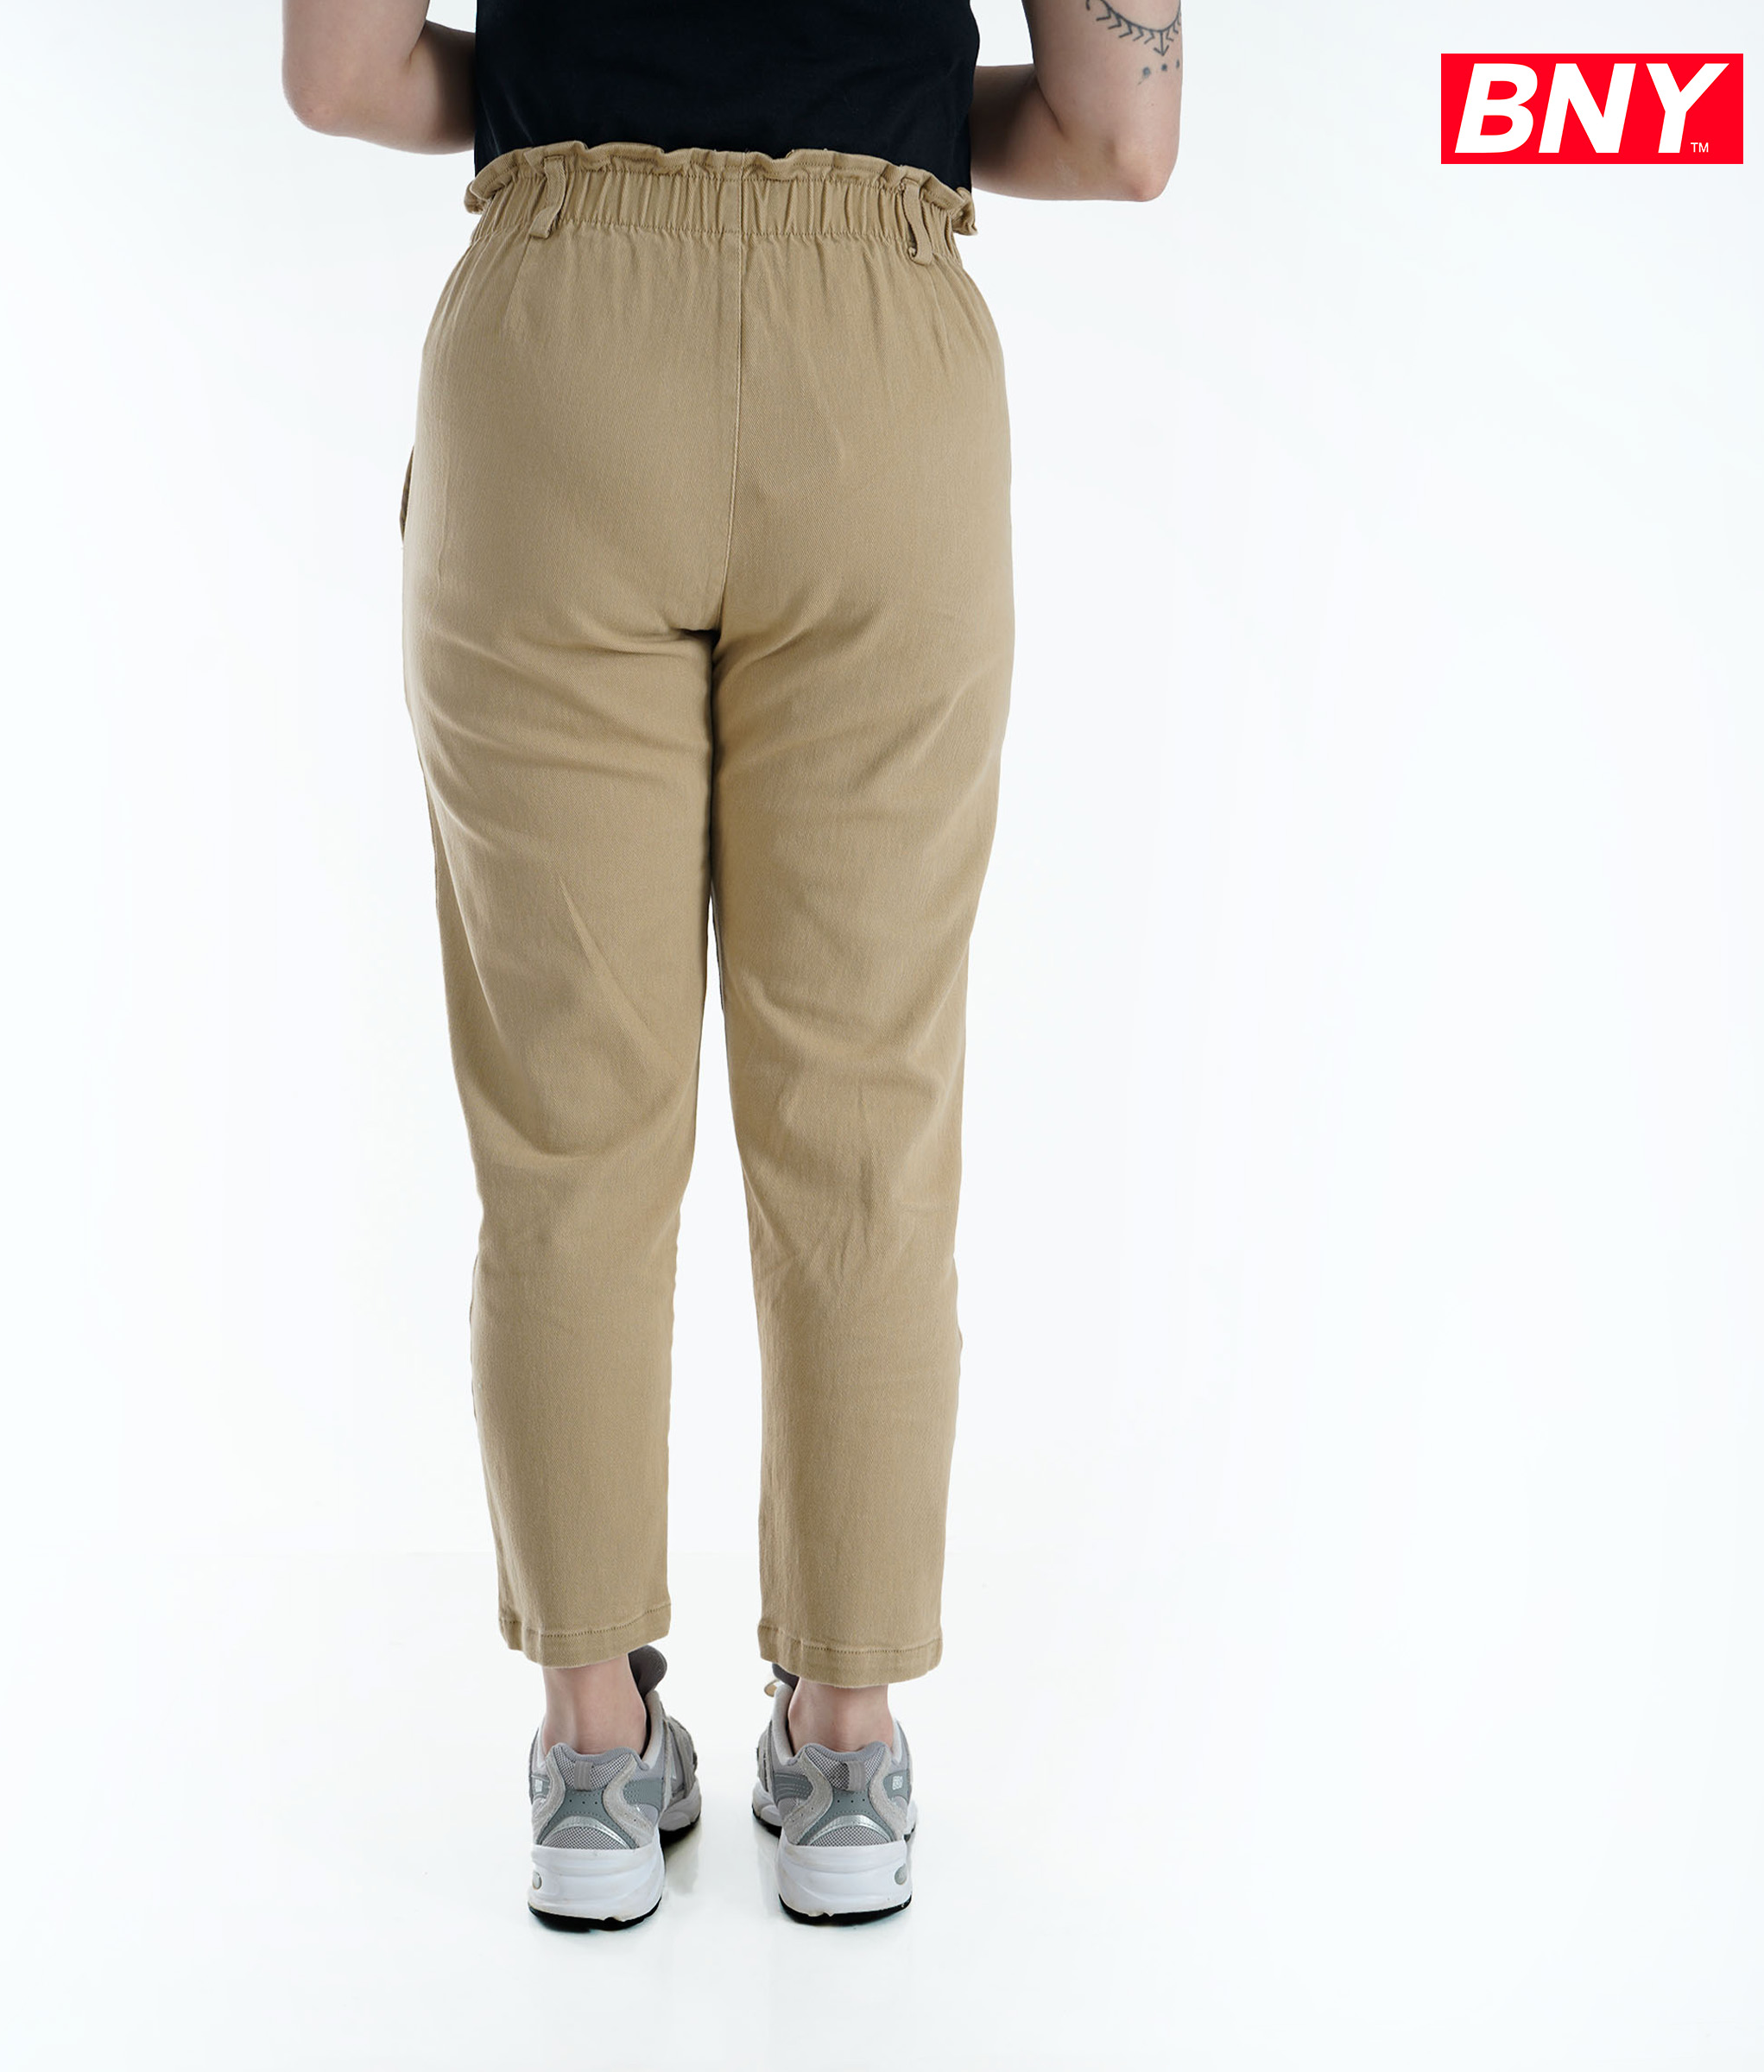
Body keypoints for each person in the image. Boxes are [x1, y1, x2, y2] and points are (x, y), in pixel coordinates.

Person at [281, 0, 1181, 1927]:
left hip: (559, 365)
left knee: (568, 1133)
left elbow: (342, 75)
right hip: (880, 369)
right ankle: (846, 1749)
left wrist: (574, 93)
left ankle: (593, 1761)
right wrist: (871, 111)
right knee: (862, 1119)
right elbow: (1122, 133)